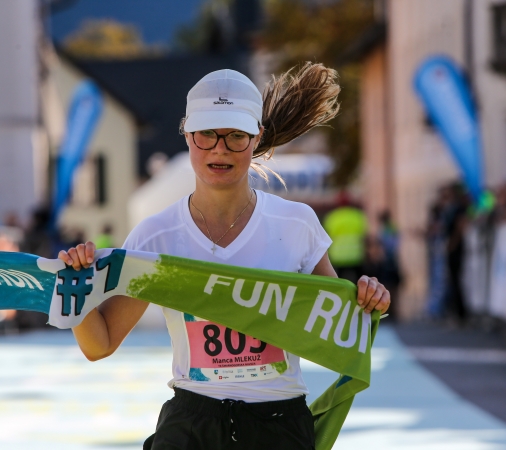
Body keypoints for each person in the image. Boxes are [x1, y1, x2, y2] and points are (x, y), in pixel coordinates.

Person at [59, 64, 390, 450]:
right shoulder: (157, 236)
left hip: (278, 427)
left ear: (256, 137)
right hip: (191, 427)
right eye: (206, 134)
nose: (220, 148)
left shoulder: (296, 224)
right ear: (187, 135)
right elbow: (100, 344)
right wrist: (75, 287)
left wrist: (369, 298)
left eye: (235, 136)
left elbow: (339, 333)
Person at [323, 191, 368, 283]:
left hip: (338, 257)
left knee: (338, 284)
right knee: (359, 284)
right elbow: (365, 236)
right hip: (356, 256)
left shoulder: (332, 217)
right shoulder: (357, 216)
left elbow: (326, 237)